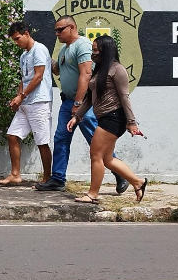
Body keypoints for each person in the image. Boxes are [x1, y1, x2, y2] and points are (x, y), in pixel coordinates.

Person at [35, 16, 129, 193]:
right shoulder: (65, 49)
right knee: (61, 139)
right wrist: (44, 57)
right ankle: (58, 179)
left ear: (71, 27)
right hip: (67, 101)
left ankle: (120, 174)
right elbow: (58, 70)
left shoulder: (83, 45)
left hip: (84, 102)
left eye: (60, 30)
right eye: (55, 30)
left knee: (97, 141)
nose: (57, 34)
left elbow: (86, 74)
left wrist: (78, 103)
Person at [67, 35, 147, 204]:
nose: (93, 54)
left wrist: (132, 122)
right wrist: (77, 117)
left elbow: (124, 97)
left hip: (114, 117)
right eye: (92, 50)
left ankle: (93, 194)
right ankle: (137, 182)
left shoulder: (117, 69)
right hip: (104, 117)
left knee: (96, 154)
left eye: (96, 50)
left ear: (106, 50)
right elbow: (89, 98)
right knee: (107, 159)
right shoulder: (99, 70)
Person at [0, 21, 53, 186]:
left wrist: (22, 96)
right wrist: (18, 97)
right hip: (26, 102)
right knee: (12, 136)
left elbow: (38, 76)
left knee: (42, 142)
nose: (16, 42)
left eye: (17, 38)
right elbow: (24, 78)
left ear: (27, 34)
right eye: (14, 39)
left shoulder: (39, 49)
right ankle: (15, 174)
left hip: (39, 101)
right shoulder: (23, 55)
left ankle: (47, 178)